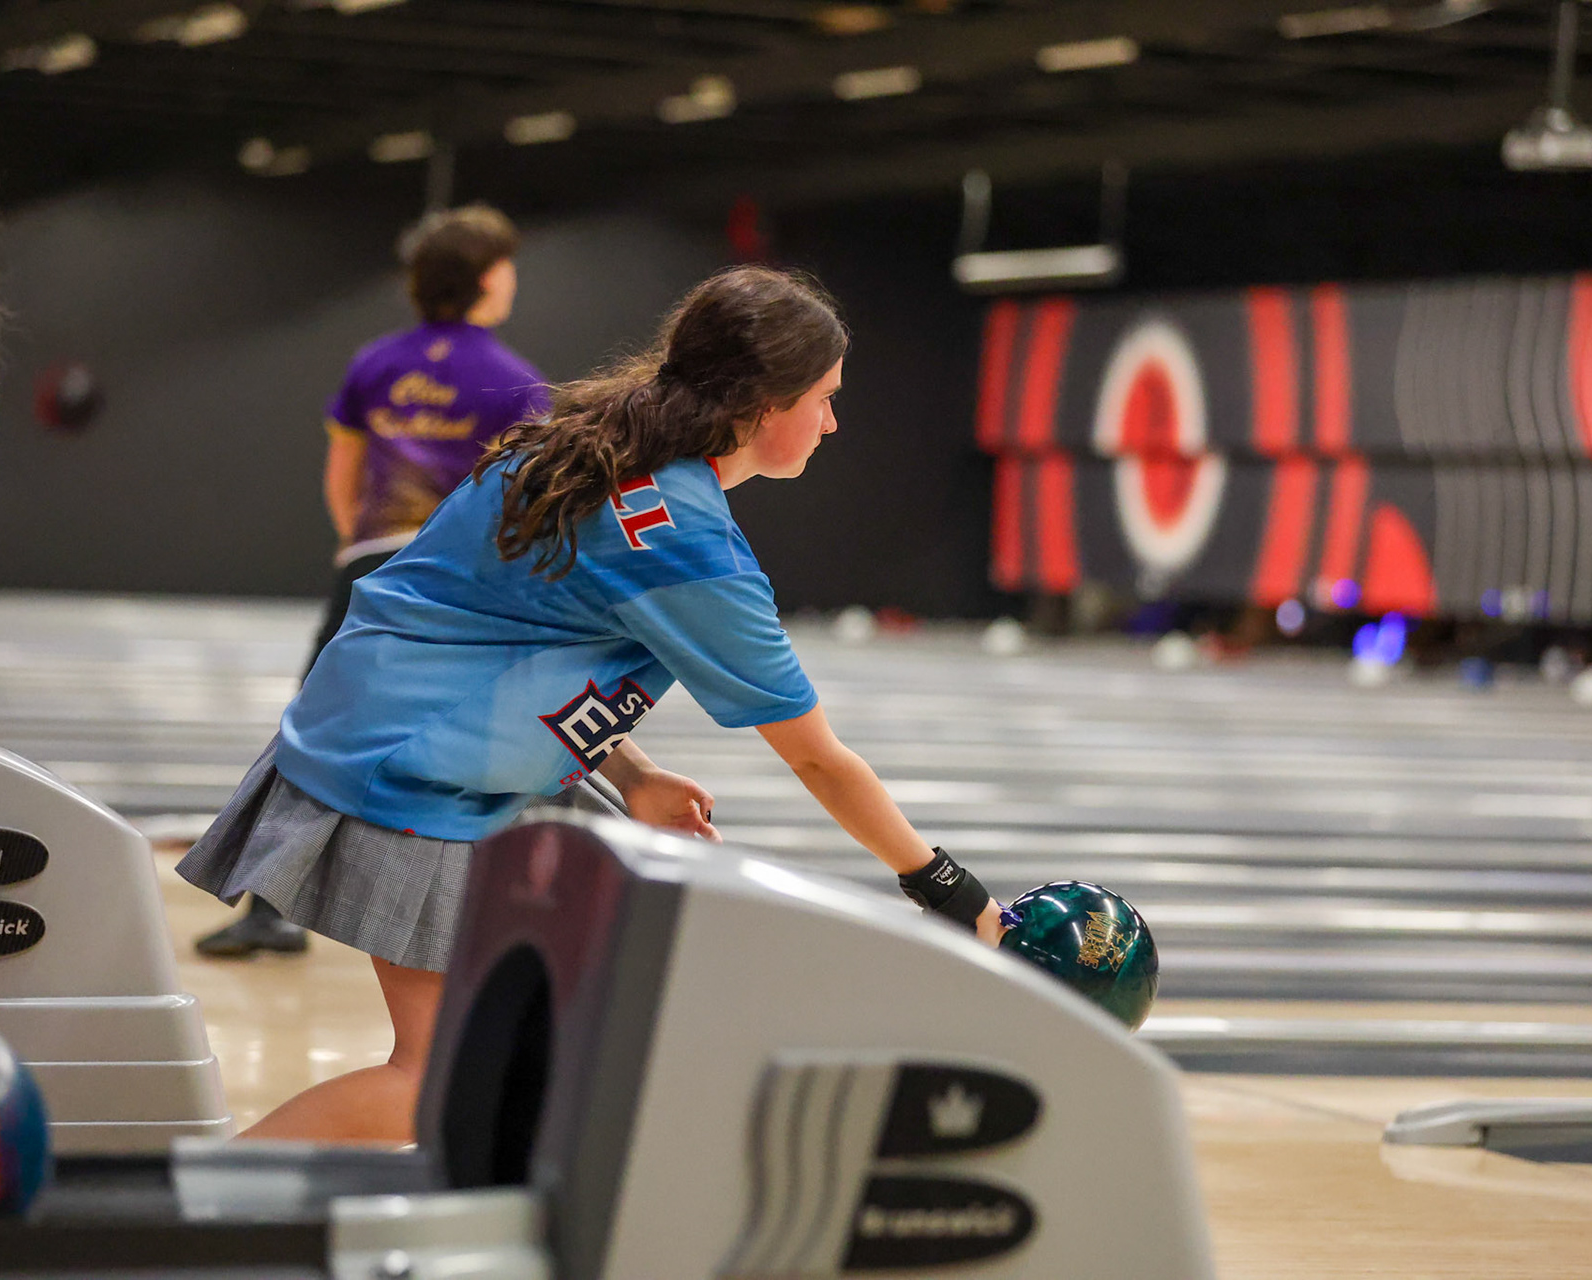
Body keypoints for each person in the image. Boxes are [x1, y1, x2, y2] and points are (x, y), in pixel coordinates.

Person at [176, 266, 1007, 1144]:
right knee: (434, 1079)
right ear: (765, 403)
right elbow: (815, 757)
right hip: (408, 769)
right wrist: (944, 885)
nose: (834, 422)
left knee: (534, 1046)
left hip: (389, 731)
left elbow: (512, 632)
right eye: (826, 398)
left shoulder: (588, 440)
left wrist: (634, 772)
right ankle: (191, 1220)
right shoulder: (687, 548)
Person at [195, 203, 548, 958]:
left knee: (316, 734)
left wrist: (359, 545)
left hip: (370, 565)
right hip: (460, 583)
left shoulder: (376, 363)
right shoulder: (518, 382)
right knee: (481, 743)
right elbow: (526, 501)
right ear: (488, 279)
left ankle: (268, 910)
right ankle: (493, 920)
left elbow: (343, 475)